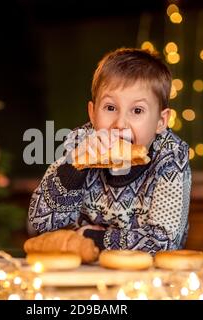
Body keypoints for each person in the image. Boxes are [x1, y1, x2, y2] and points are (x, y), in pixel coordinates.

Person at [28, 48, 191, 254]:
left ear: (161, 121)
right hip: (85, 271)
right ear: (93, 113)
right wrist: (74, 169)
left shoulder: (171, 157)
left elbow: (164, 243)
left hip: (147, 276)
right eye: (110, 108)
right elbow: (41, 224)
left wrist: (91, 237)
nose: (120, 123)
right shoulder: (81, 144)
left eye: (137, 110)